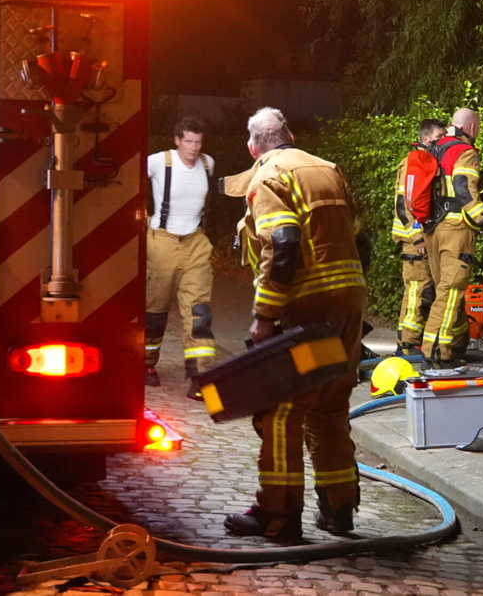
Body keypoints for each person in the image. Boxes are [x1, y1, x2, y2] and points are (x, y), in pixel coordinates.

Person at [221, 107, 368, 540]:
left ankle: (278, 515)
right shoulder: (327, 170)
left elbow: (283, 244)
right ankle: (339, 509)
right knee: (329, 407)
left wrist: (265, 315)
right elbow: (360, 239)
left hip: (307, 309)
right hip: (349, 301)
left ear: (253, 148)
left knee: (282, 410)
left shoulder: (269, 177)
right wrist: (346, 299)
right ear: (290, 135)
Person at [144, 116, 216, 399]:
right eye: (188, 141)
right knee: (154, 310)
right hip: (161, 241)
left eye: (198, 142)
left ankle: (200, 375)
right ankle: (146, 364)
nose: (194, 148)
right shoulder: (158, 162)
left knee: (199, 312)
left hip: (195, 242)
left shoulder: (208, 164)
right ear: (177, 140)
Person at [420, 108, 483, 369]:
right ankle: (436, 353)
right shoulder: (465, 151)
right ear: (472, 128)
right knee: (450, 293)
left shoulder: (433, 148)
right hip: (456, 230)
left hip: (432, 229)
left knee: (447, 290)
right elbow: (464, 188)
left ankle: (456, 344)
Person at [392, 119, 445, 355]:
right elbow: (403, 206)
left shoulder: (426, 162)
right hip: (413, 241)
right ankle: (408, 343)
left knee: (424, 292)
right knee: (418, 291)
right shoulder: (412, 164)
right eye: (438, 137)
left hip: (423, 238)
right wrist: (417, 237)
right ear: (425, 138)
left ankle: (412, 339)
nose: (441, 142)